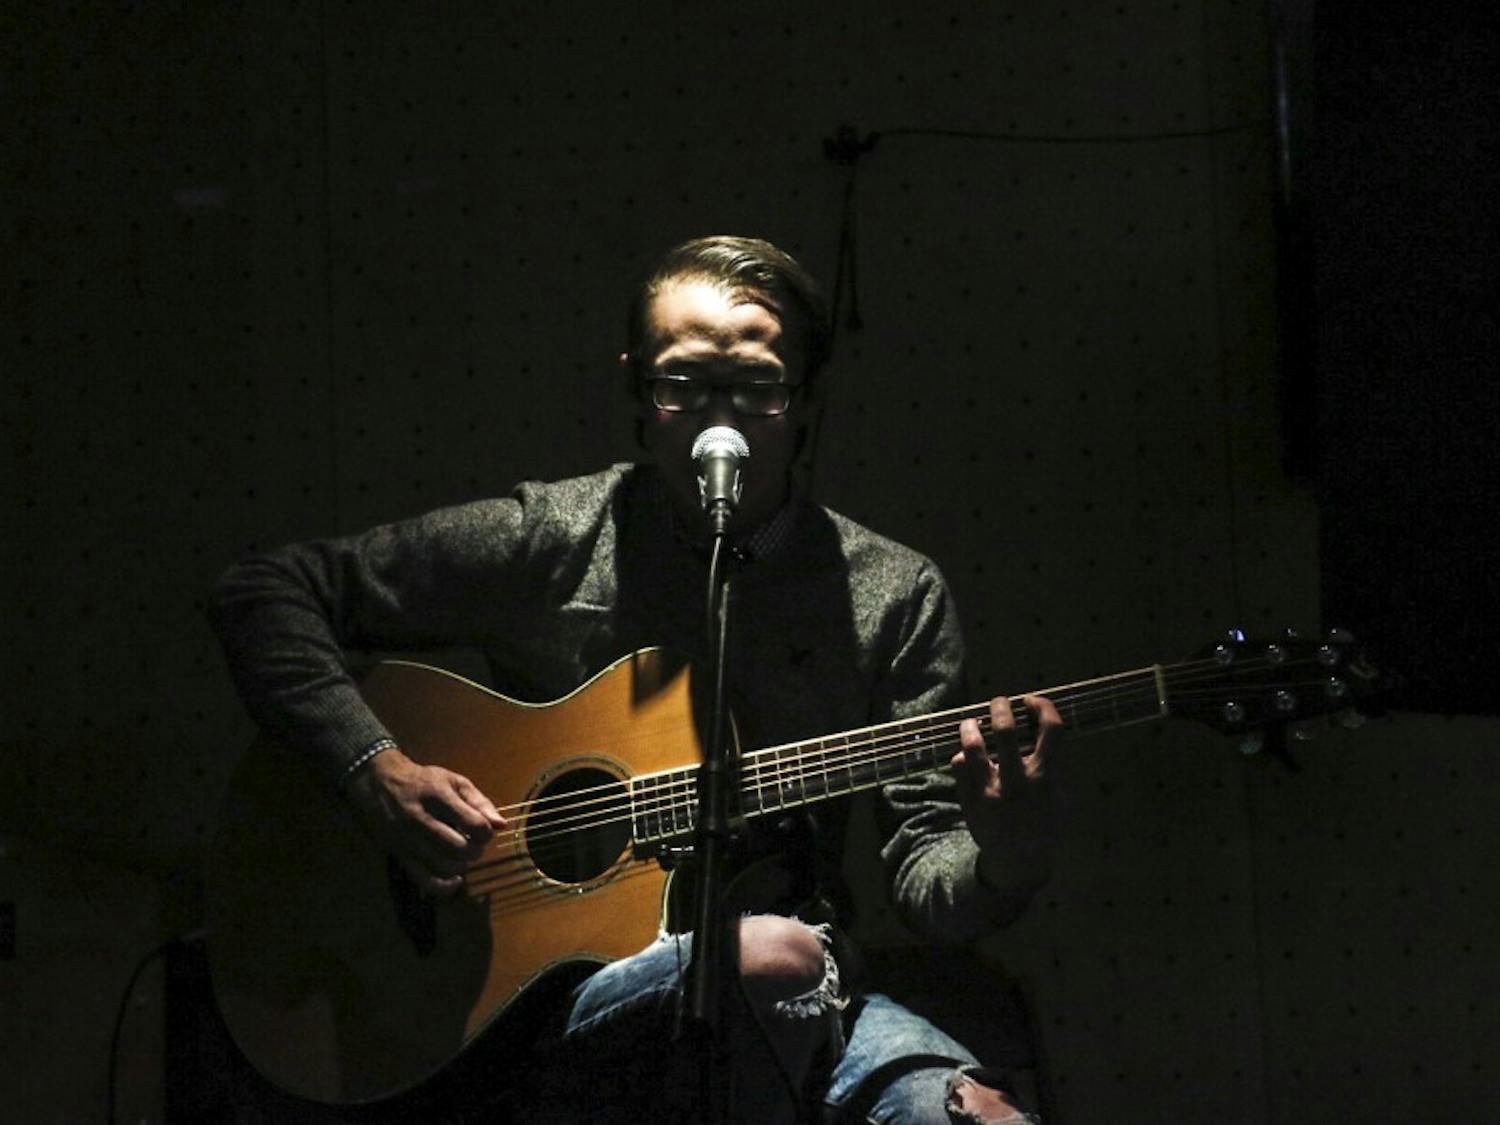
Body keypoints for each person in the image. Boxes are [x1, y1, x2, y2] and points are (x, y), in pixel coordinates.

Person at [209, 235, 1063, 1124]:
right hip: (556, 1003)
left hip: (803, 984)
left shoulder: (893, 592)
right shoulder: (557, 535)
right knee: (770, 957)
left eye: (757, 387)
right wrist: (373, 771)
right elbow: (264, 594)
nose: (716, 417)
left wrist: (1007, 852)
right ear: (639, 393)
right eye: (684, 383)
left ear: (802, 399)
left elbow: (929, 880)